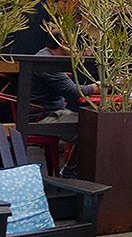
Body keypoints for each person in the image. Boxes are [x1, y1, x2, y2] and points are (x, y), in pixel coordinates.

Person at [29, 30, 98, 178]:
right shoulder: (46, 62)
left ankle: (71, 170)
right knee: (95, 129)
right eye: (73, 45)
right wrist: (99, 86)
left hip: (53, 111)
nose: (76, 48)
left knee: (95, 125)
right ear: (63, 44)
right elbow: (73, 91)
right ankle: (82, 175)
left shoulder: (49, 57)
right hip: (43, 115)